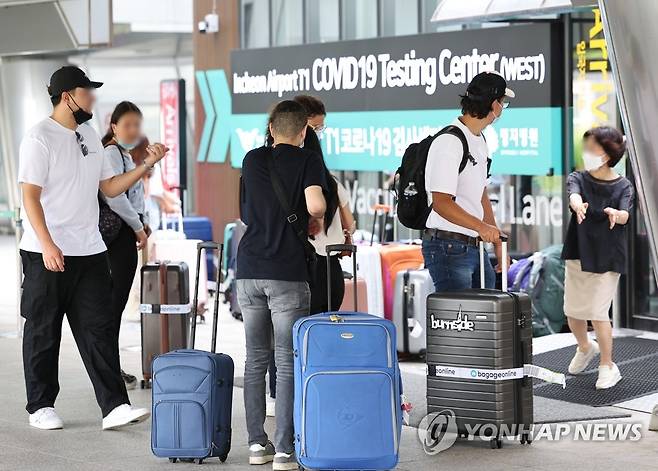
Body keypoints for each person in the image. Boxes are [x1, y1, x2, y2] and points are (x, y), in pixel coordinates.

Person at [18, 65, 167, 431]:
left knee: (98, 328)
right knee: (43, 329)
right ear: (68, 96)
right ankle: (41, 405)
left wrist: (147, 164)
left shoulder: (86, 135)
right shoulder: (39, 138)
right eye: (87, 92)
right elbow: (30, 196)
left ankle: (114, 405)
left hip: (89, 249)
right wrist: (48, 243)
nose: (93, 98)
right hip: (45, 252)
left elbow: (111, 187)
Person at [237, 100, 326, 470]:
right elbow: (317, 206)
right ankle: (286, 450)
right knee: (287, 362)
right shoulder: (308, 160)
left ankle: (257, 445)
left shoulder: (252, 159)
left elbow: (244, 213)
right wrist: (310, 215)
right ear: (303, 131)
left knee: (255, 360)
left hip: (249, 269)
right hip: (287, 272)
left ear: (272, 129)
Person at [422, 72, 514, 292]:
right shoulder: (450, 141)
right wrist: (481, 227)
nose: (503, 108)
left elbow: (479, 194)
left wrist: (497, 243)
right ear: (494, 105)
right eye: (503, 103)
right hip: (447, 246)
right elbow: (441, 202)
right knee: (458, 320)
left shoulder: (479, 140)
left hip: (473, 245)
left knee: (485, 319)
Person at [562, 126, 632, 389]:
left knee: (598, 312)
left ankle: (608, 365)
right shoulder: (578, 177)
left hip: (608, 256)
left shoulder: (623, 185)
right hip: (579, 251)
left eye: (592, 149)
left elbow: (626, 214)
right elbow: (574, 194)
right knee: (573, 311)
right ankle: (584, 347)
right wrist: (577, 204)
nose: (586, 153)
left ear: (607, 154)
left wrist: (616, 213)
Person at [100, 101, 150, 390]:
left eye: (137, 124)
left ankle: (111, 369)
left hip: (123, 236)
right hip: (117, 236)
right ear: (114, 127)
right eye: (127, 124)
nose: (133, 130)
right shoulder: (111, 153)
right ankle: (109, 373)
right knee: (111, 306)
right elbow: (114, 196)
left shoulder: (125, 155)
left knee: (114, 306)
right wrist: (137, 226)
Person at [293, 95, 356, 313]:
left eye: (321, 128)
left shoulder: (286, 181)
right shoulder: (331, 182)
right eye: (315, 128)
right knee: (325, 335)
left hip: (299, 270)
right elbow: (351, 224)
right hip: (330, 271)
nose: (317, 134)